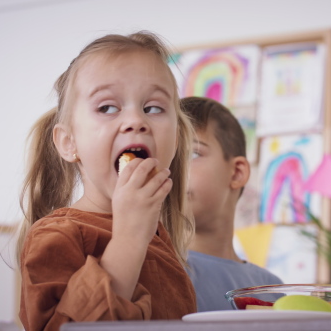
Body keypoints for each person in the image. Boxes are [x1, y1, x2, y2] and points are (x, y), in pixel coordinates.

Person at [17, 32, 197, 331]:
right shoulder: (57, 236)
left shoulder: (161, 238)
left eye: (153, 108)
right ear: (68, 142)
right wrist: (128, 237)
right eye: (107, 108)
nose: (136, 121)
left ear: (176, 139)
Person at [182, 96, 283, 312]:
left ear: (237, 172)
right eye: (166, 157)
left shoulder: (272, 290)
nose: (173, 169)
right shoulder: (149, 272)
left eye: (192, 153)